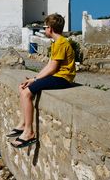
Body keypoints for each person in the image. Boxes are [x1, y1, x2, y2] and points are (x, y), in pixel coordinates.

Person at [8, 13, 76, 148]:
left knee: (27, 93)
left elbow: (52, 67)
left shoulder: (61, 43)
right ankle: (23, 124)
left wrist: (35, 79)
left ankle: (29, 132)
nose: (44, 30)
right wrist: (35, 79)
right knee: (22, 88)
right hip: (57, 76)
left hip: (62, 79)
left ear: (50, 28)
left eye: (45, 27)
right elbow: (50, 66)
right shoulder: (57, 43)